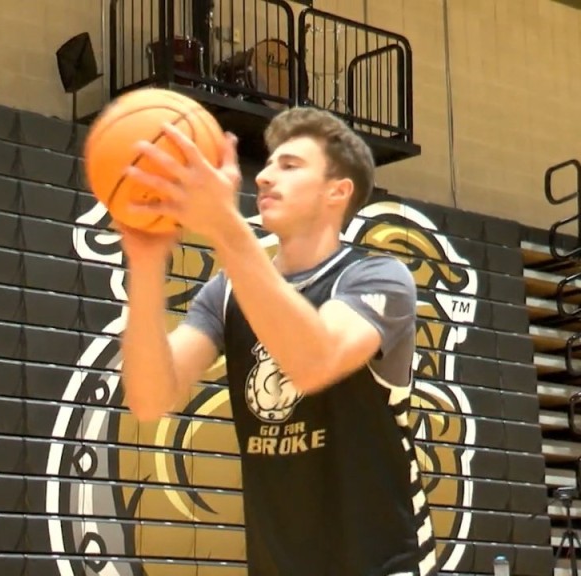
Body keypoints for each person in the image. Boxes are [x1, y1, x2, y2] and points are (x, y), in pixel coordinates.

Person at [117, 106, 437, 576]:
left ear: (337, 191)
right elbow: (148, 399)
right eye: (267, 164)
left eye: (290, 165)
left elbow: (313, 362)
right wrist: (144, 261)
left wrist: (225, 226)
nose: (265, 176)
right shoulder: (227, 292)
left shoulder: (378, 277)